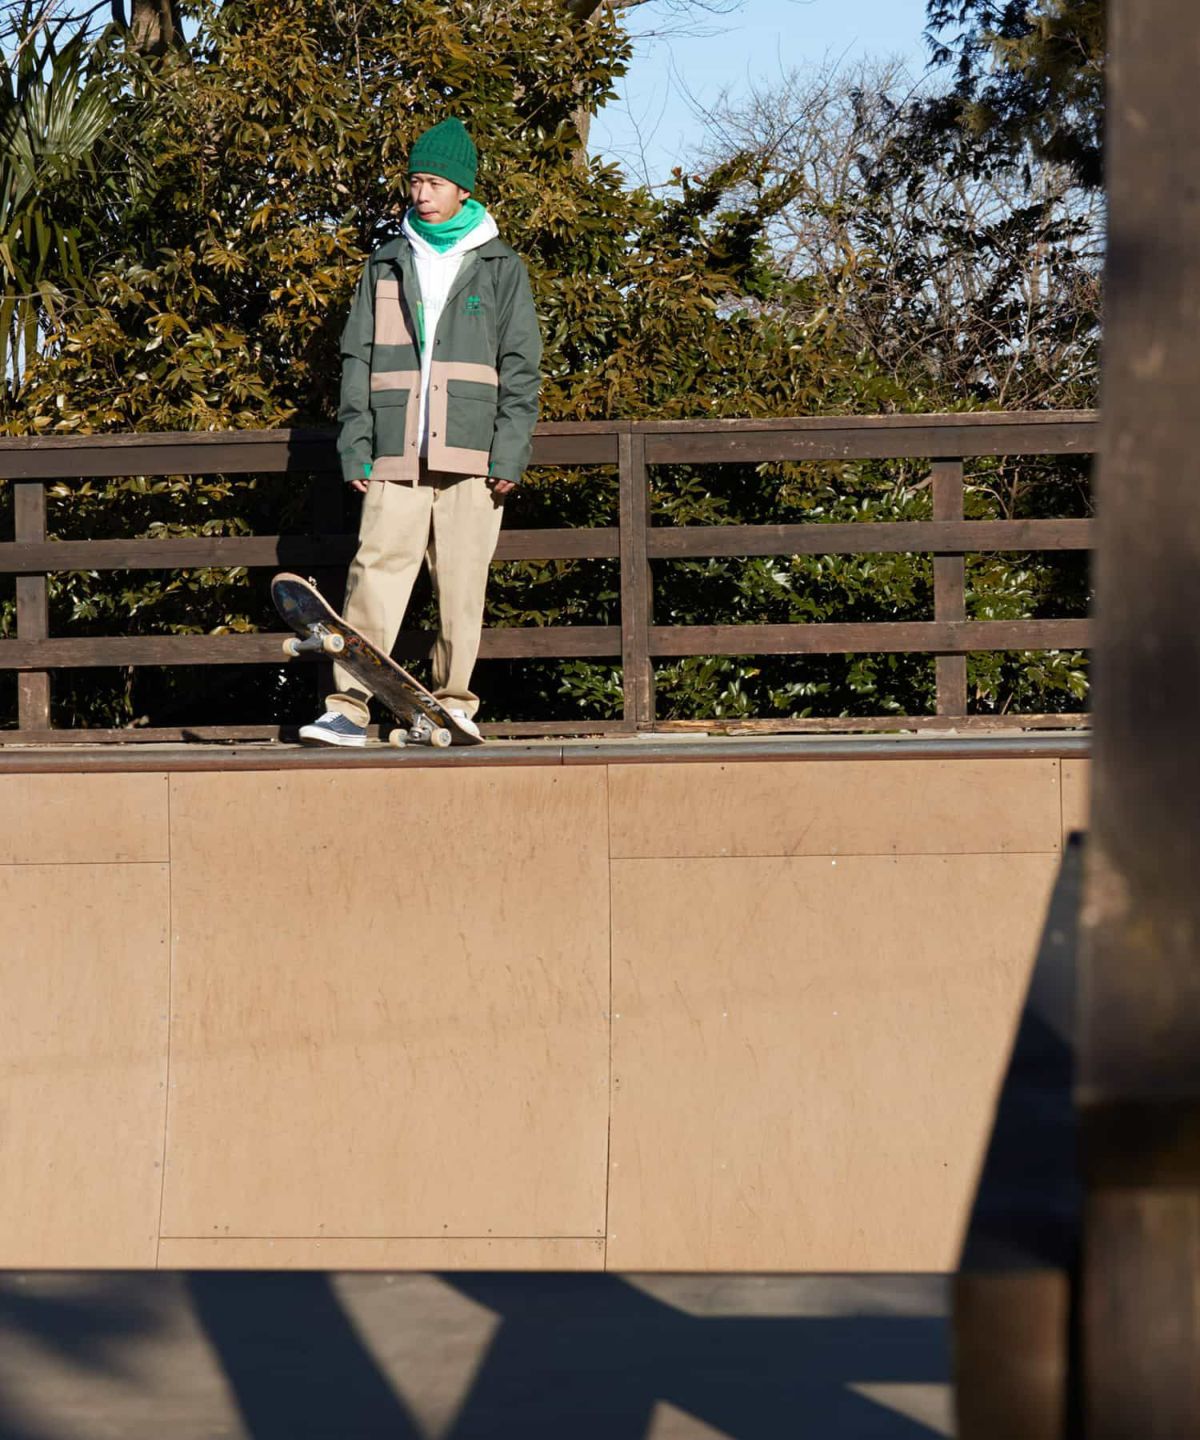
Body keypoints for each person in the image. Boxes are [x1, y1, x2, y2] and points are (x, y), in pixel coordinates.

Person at [300, 117, 542, 747]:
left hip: (474, 452)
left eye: (434, 183)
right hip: (392, 449)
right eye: (415, 181)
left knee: (462, 585)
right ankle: (347, 708)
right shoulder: (384, 264)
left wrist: (510, 451)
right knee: (373, 578)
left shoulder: (500, 266)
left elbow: (522, 366)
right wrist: (355, 445)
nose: (421, 193)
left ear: (464, 189)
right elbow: (356, 359)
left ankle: (453, 707)